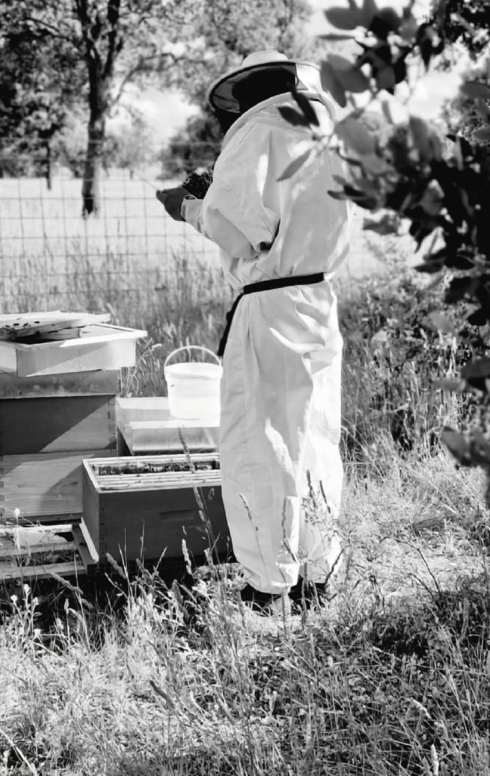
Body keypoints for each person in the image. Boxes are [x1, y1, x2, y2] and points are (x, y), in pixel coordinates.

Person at [157, 50, 351, 613]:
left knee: (256, 444)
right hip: (318, 300)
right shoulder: (324, 136)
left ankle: (269, 586)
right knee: (314, 439)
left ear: (248, 90)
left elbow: (236, 225)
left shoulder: (259, 129)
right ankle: (320, 572)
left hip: (267, 308)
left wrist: (188, 207)